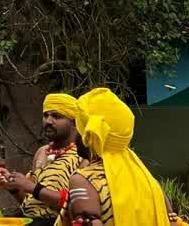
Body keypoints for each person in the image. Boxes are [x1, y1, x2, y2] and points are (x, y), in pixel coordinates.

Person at [62, 87, 172, 226]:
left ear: (89, 136)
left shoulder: (84, 180)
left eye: (78, 128)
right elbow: (172, 220)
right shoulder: (149, 180)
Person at [0, 94, 82, 226]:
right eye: (46, 115)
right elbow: (30, 204)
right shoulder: (42, 152)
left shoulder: (82, 156)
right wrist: (12, 187)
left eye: (56, 116)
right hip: (28, 220)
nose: (48, 121)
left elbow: (77, 204)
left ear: (74, 122)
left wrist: (31, 186)